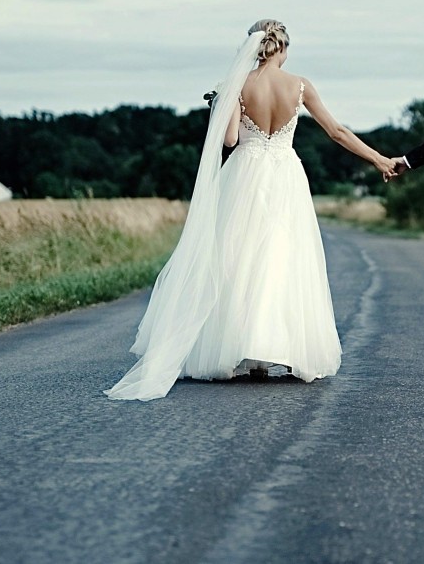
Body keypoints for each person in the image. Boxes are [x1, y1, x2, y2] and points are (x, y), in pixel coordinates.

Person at [104, 20, 396, 401]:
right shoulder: (300, 85)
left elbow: (229, 139)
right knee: (281, 258)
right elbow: (337, 132)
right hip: (285, 176)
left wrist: (220, 104)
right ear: (282, 48)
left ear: (254, 47)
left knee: (236, 258)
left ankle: (234, 349)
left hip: (245, 174)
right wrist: (378, 159)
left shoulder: (237, 84)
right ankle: (275, 350)